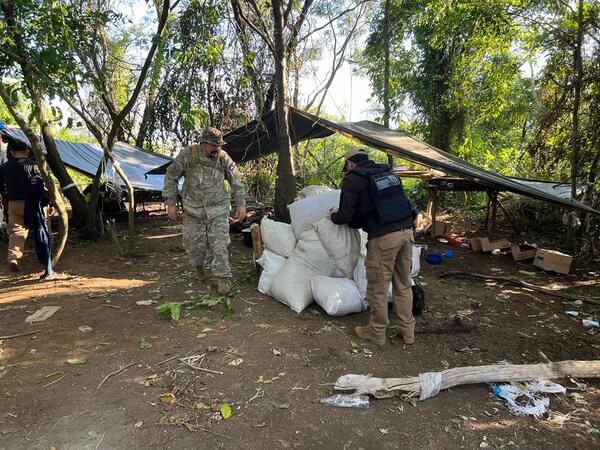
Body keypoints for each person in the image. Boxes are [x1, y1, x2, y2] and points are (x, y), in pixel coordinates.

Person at [330, 147, 415, 346]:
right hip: (407, 233)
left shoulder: (353, 179)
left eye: (348, 166)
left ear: (350, 163)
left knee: (378, 288)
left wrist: (332, 215)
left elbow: (345, 216)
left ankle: (376, 332)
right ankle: (408, 332)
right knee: (403, 285)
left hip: (384, 239)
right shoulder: (387, 173)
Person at [162, 127, 246, 295]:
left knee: (220, 245)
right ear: (204, 143)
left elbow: (236, 179)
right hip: (193, 211)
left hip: (219, 209)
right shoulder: (187, 155)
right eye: (215, 145)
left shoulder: (223, 157)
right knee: (194, 246)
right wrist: (171, 203)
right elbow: (171, 176)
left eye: (219, 145)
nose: (218, 148)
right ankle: (198, 267)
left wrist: (241, 203)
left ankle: (223, 278)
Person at [0, 139, 42, 271]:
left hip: (14, 203)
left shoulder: (4, 168)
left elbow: (0, 186)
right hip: (33, 202)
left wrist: (6, 196)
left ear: (12, 152)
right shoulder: (34, 166)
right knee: (41, 228)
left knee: (17, 230)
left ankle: (14, 257)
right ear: (27, 152)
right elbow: (42, 185)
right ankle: (46, 256)